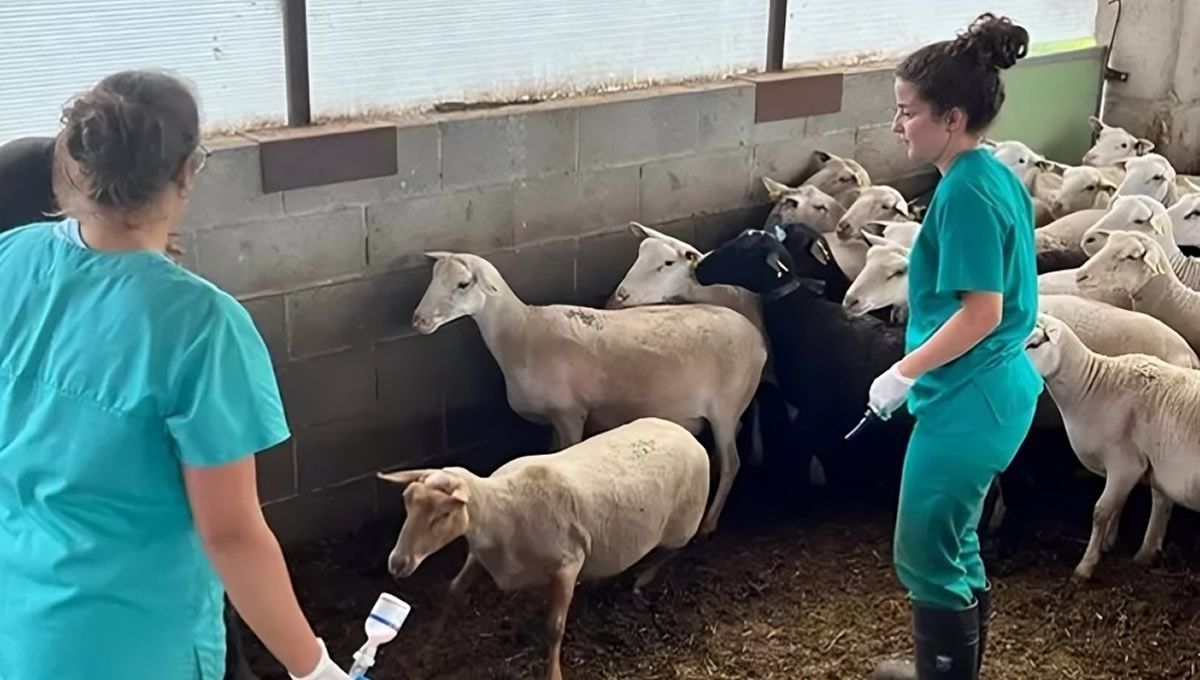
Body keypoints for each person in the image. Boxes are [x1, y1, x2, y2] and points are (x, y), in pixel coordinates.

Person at [0, 70, 351, 680]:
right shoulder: (203, 328)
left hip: (22, 627)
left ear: (80, 158)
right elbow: (232, 535)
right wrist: (314, 669)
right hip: (136, 644)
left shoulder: (13, 258)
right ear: (188, 171)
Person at [863, 13, 1042, 680]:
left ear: (953, 117)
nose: (896, 125)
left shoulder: (965, 191)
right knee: (954, 536)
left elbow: (982, 312)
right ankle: (950, 668)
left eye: (907, 112)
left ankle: (942, 671)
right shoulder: (988, 172)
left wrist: (901, 372)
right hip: (991, 390)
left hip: (971, 398)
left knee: (924, 552)